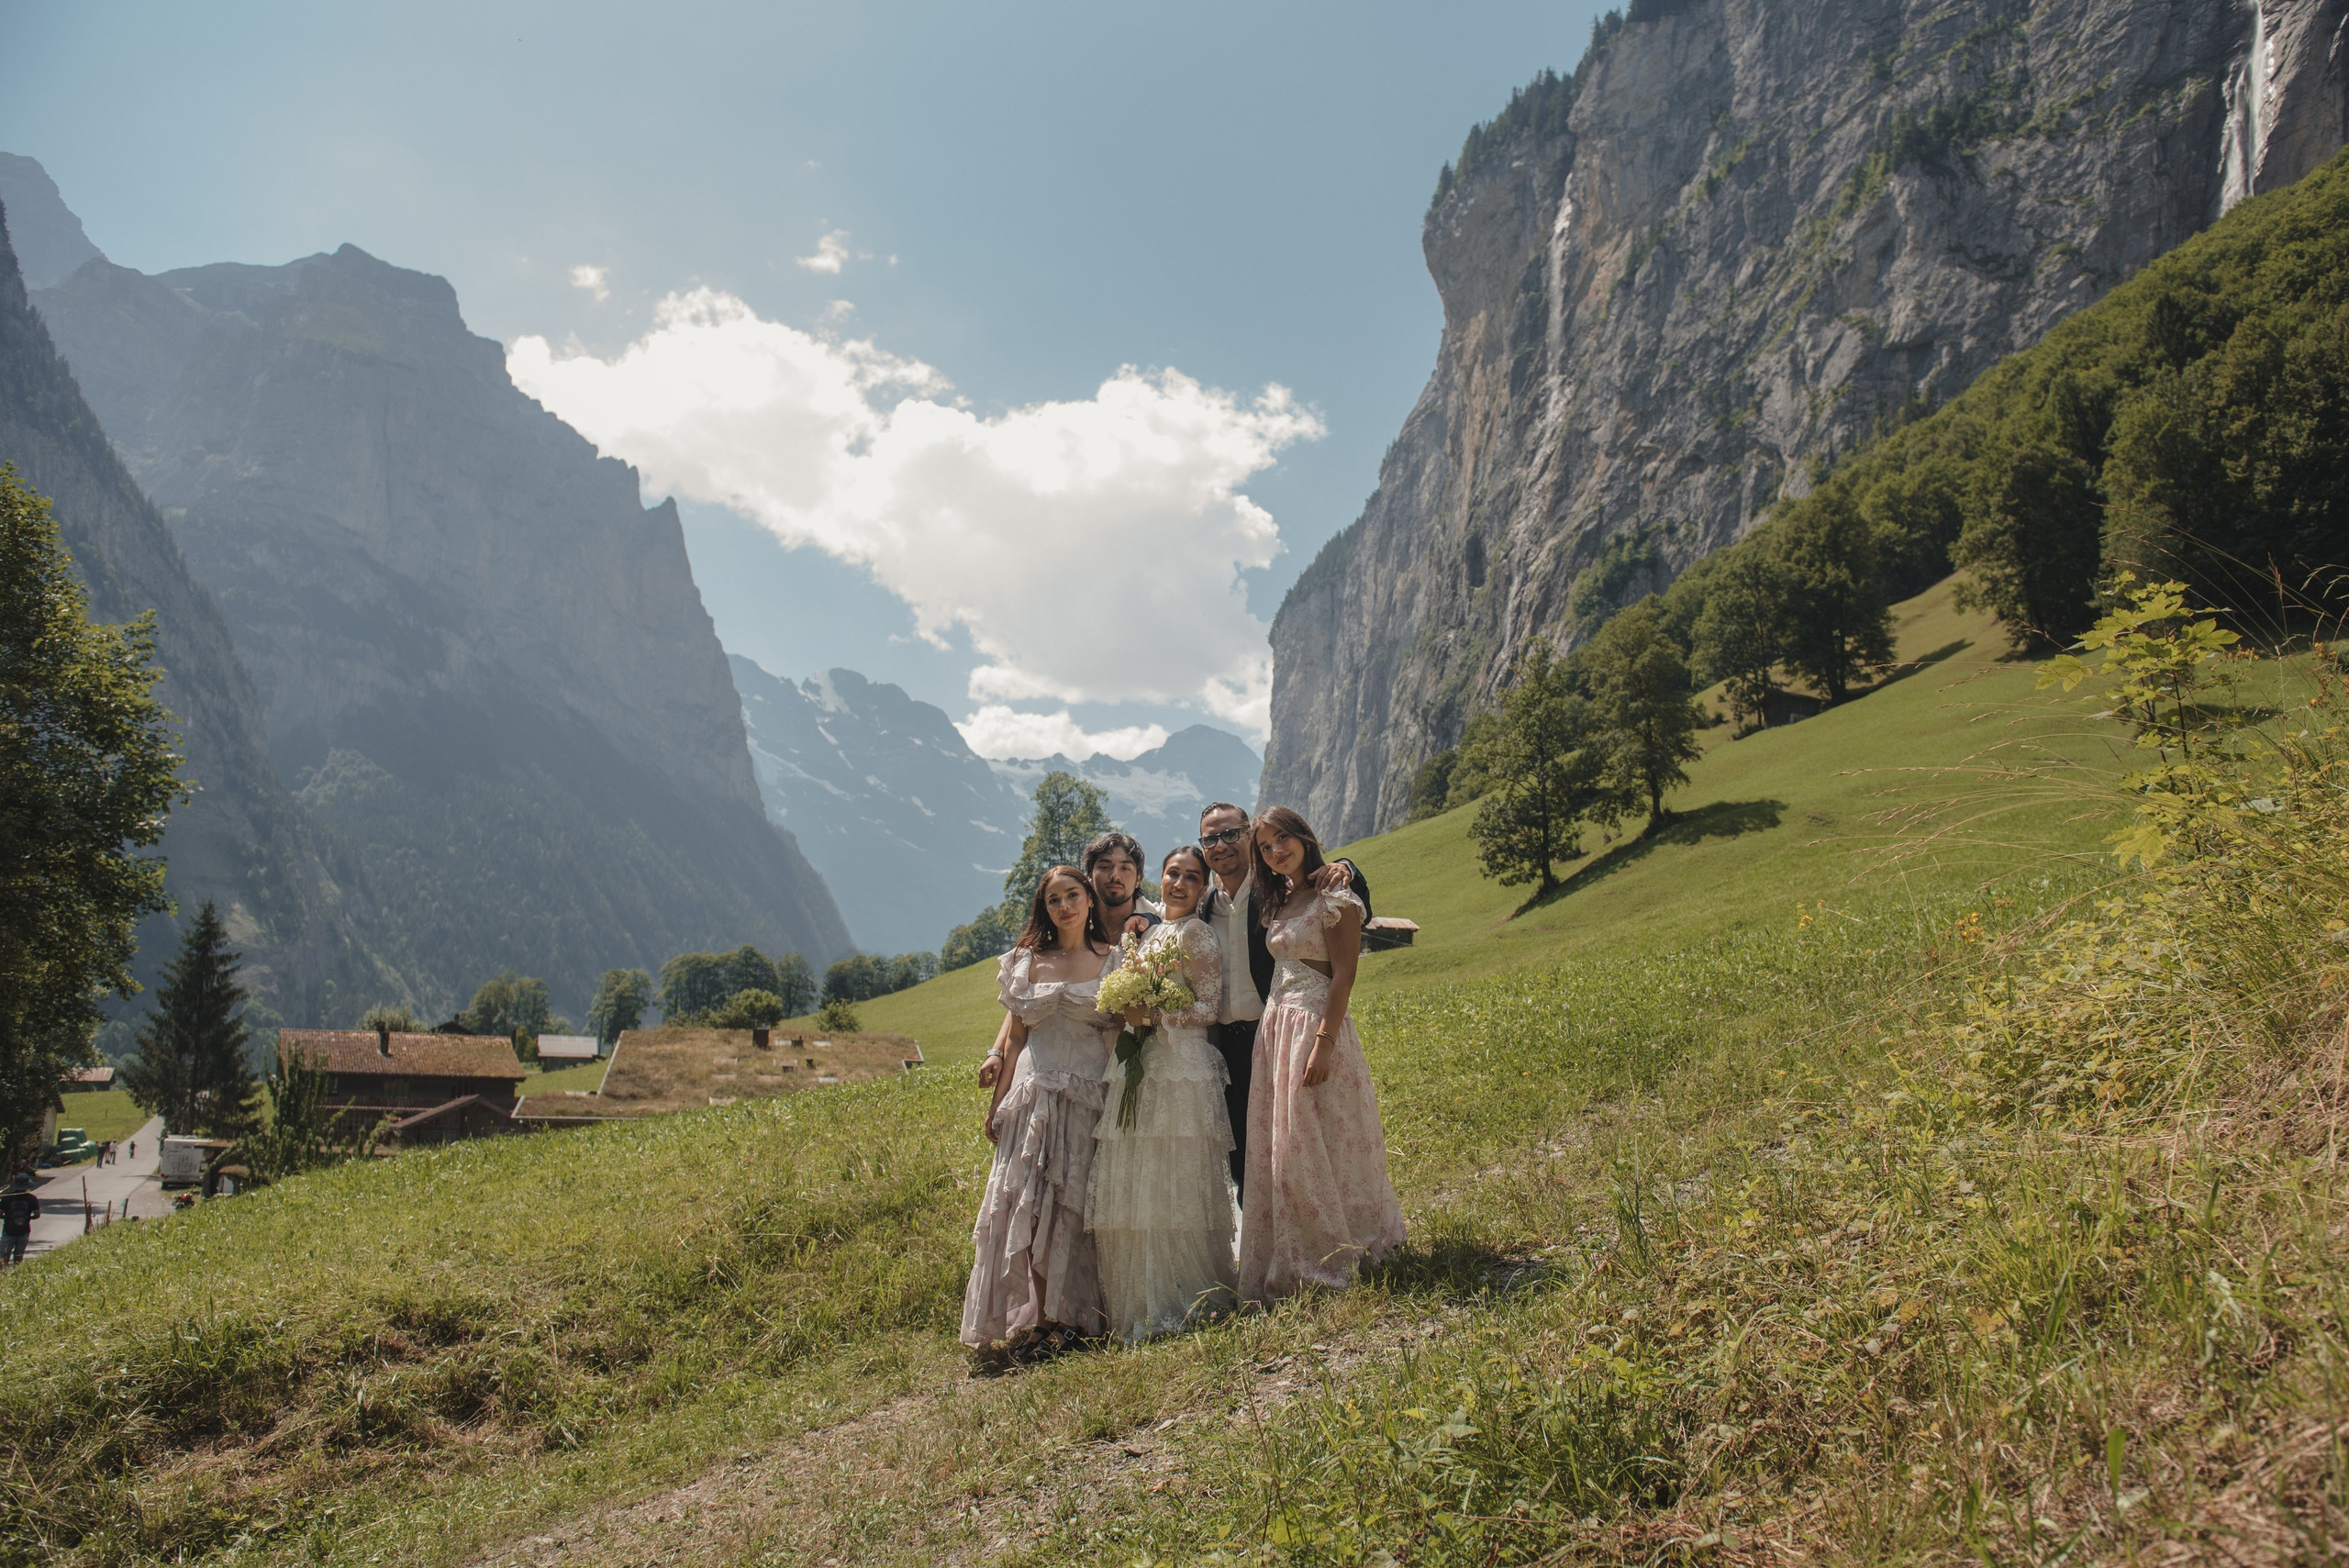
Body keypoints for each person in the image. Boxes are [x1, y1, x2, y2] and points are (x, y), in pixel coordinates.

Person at [1237, 806, 1404, 1303]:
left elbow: (1344, 976)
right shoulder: (1281, 899)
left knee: (1317, 1140)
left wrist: (1325, 1043)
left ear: (1303, 836)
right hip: (1277, 1029)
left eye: (1282, 838)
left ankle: (1335, 1252)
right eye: (1265, 847)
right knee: (1285, 1146)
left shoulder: (1336, 895)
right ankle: (1294, 1252)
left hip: (1313, 1026)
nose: (1275, 851)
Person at [963, 864, 1120, 1363]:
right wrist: (997, 1103)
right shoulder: (1025, 961)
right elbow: (1015, 1038)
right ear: (1044, 908)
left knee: (1073, 1207)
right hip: (1032, 1094)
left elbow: (1122, 1033)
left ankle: (1075, 1317)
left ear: (1090, 899)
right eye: (1054, 900)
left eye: (1072, 895)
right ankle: (1044, 1320)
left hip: (1088, 1093)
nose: (1064, 906)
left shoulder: (1115, 959)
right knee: (1028, 1208)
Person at [1085, 845, 1238, 1342]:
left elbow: (1209, 1008)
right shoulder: (1151, 932)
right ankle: (1145, 1296)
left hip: (1182, 1071)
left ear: (1203, 888)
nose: (1180, 883)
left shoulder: (1197, 934)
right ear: (1161, 879)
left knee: (1177, 1176)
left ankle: (1187, 1292)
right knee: (1144, 1178)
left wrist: (1151, 1014)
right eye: (1174, 873)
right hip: (1144, 1063)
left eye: (1192, 877)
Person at [1196, 802, 1369, 1200]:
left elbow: (1347, 912)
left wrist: (1347, 867)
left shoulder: (1274, 890)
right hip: (1231, 1045)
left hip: (1284, 1030)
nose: (1220, 845)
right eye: (1210, 839)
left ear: (1246, 838)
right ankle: (1268, 1230)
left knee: (1306, 1140)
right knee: (1249, 1152)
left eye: (1230, 834)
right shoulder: (1205, 904)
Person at [1084, 831, 1159, 936]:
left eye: (1125, 868)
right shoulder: (1073, 921)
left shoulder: (1160, 922)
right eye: (1105, 867)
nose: (1115, 876)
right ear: (1090, 876)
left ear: (1138, 880)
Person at [1, 1176, 39, 1266]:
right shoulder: (32, 1198)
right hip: (24, 1231)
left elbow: (0, 1213)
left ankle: (3, 1273)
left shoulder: (7, 1198)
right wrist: (29, 1217)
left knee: (3, 1257)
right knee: (19, 1257)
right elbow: (37, 1214)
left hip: (8, 1231)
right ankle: (17, 1272)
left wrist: (6, 1217)